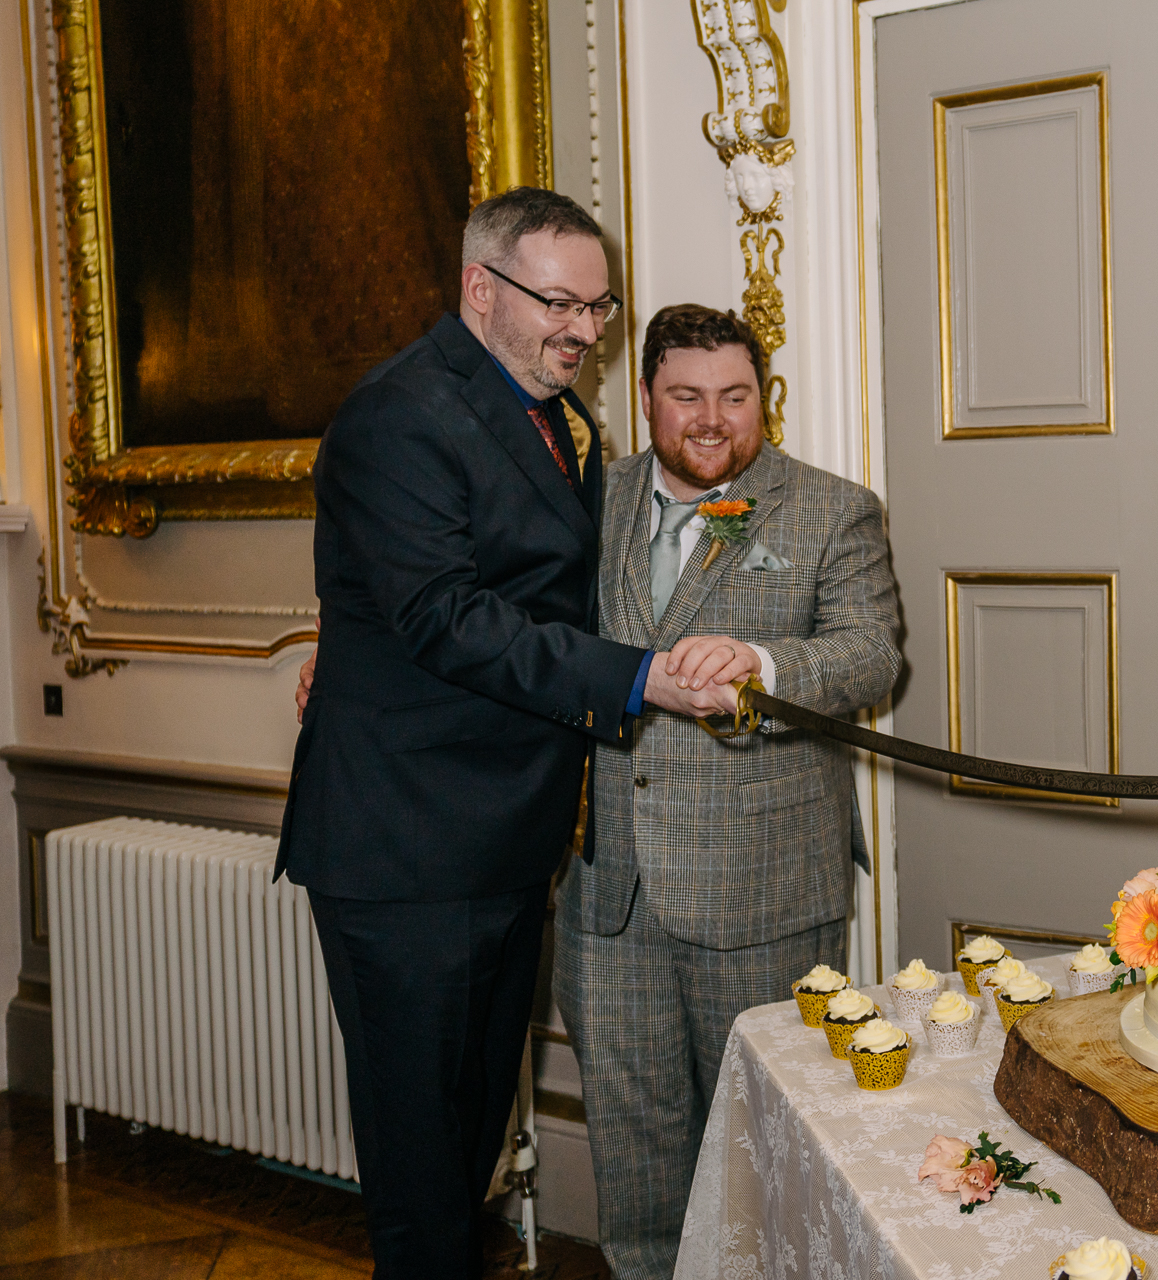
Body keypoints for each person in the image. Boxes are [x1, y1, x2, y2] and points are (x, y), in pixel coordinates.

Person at [275, 188, 736, 1279]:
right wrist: (640, 679)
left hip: (500, 840)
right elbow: (444, 614)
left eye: (599, 307)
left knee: (467, 1139)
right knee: (421, 1167)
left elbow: (537, 593)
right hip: (405, 847)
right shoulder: (401, 410)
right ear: (482, 289)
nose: (583, 330)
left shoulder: (562, 419)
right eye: (560, 303)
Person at [554, 304, 901, 1279]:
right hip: (607, 894)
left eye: (735, 396)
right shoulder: (589, 499)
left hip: (765, 891)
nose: (712, 419)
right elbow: (493, 608)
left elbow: (867, 655)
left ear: (764, 397)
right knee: (636, 1156)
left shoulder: (834, 509)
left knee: (767, 1152)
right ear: (649, 397)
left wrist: (762, 659)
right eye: (688, 395)